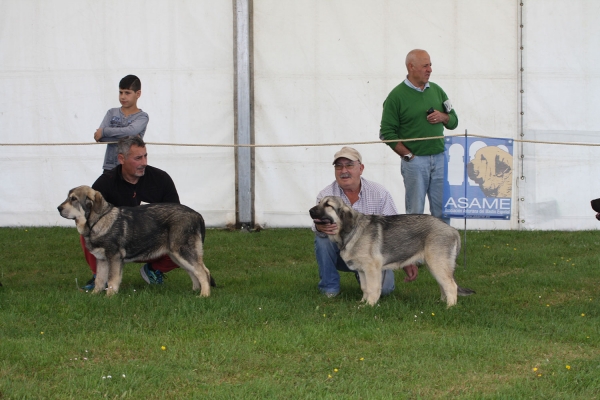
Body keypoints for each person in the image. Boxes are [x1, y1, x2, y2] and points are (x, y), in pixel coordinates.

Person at [312, 146, 418, 298]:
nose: (344, 171)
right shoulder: (325, 195)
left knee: (386, 290)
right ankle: (330, 288)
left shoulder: (379, 193)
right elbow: (315, 228)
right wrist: (319, 226)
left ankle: (364, 274)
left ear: (361, 168)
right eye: (339, 166)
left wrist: (406, 261)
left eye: (349, 165)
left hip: (373, 256)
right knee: (322, 238)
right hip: (341, 254)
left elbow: (396, 230)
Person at [81, 136, 181, 290]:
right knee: (88, 232)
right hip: (116, 245)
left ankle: (154, 271)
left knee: (183, 238)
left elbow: (176, 217)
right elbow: (90, 218)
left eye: (145, 156)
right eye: (138, 158)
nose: (144, 163)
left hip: (153, 243)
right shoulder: (105, 183)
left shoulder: (162, 179)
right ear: (121, 159)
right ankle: (99, 277)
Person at [379, 49, 458, 224]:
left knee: (443, 210)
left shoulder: (437, 90)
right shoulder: (396, 96)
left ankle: (442, 249)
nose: (430, 69)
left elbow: (453, 121)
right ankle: (415, 251)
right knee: (415, 214)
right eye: (425, 65)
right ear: (411, 67)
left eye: (430, 65)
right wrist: (408, 156)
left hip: (440, 159)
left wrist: (443, 117)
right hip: (415, 163)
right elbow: (386, 132)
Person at [94, 75, 149, 174]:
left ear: (138, 94)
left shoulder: (142, 117)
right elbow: (100, 137)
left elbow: (131, 131)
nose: (123, 96)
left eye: (127, 93)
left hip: (132, 166)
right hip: (110, 166)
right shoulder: (111, 112)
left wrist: (105, 131)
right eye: (120, 92)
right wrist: (131, 138)